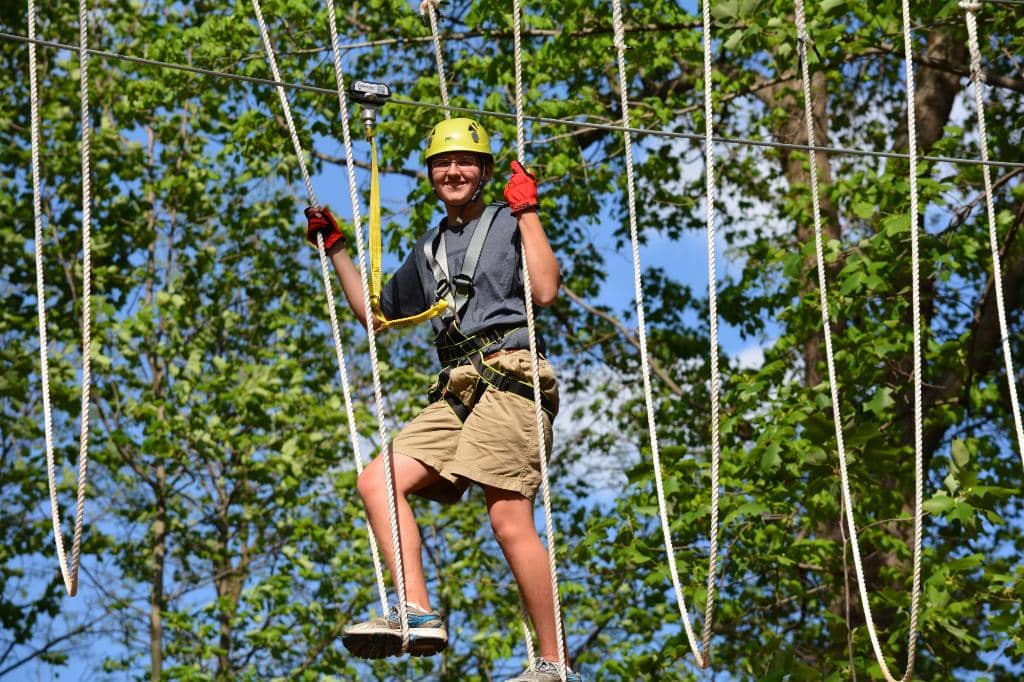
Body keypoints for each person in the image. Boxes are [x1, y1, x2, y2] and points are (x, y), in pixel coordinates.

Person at [304, 117, 582, 682]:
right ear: (431, 174)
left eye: (465, 163)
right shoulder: (430, 248)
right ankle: (416, 611)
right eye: (442, 163)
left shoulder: (508, 222)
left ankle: (555, 664)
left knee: (507, 519)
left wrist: (528, 212)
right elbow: (375, 316)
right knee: (377, 479)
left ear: (481, 172)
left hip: (510, 374)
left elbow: (547, 289)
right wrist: (335, 250)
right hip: (458, 387)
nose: (453, 172)